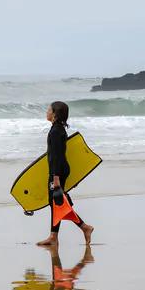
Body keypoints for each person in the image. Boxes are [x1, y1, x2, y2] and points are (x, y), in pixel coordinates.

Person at [37, 101, 94, 247]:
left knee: (58, 203)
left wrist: (56, 177)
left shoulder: (56, 131)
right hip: (59, 169)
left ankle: (83, 228)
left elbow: (57, 155)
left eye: (49, 110)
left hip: (58, 171)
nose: (47, 112)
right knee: (56, 203)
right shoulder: (58, 129)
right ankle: (55, 235)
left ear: (55, 114)